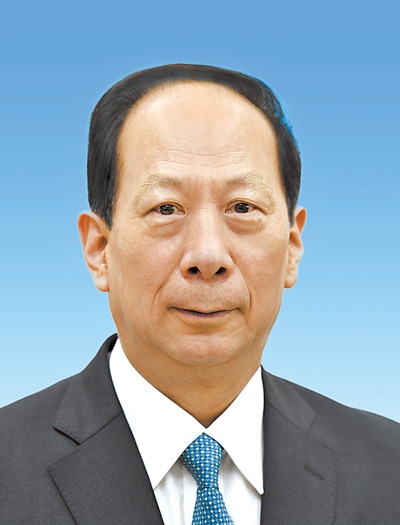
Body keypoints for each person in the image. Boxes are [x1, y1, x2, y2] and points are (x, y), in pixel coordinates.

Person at [1, 64, 399, 525]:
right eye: (166, 208)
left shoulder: (388, 468)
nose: (208, 255)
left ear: (292, 247)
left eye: (242, 207)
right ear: (99, 249)